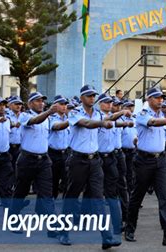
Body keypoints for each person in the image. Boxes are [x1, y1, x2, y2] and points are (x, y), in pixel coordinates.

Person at [58, 85, 121, 249]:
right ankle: (63, 232)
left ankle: (106, 237)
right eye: (88, 95)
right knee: (71, 196)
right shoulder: (74, 113)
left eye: (94, 95)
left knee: (98, 198)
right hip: (77, 160)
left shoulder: (100, 113)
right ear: (81, 98)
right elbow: (86, 123)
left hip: (94, 161)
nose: (92, 98)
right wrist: (102, 123)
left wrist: (116, 117)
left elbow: (108, 120)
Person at [124, 87, 166, 246]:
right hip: (144, 160)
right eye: (157, 98)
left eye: (162, 98)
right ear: (149, 99)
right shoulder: (144, 114)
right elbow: (152, 123)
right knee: (137, 196)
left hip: (161, 160)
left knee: (164, 197)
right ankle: (130, 228)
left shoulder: (162, 115)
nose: (161, 100)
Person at [8, 92, 59, 238]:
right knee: (21, 191)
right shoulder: (25, 116)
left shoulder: (48, 118)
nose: (41, 103)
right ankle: (13, 219)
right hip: (27, 160)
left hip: (43, 160)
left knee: (46, 194)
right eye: (37, 101)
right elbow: (35, 121)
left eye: (42, 101)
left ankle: (52, 226)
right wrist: (49, 111)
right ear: (30, 104)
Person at [97, 93, 133, 235]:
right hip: (97, 158)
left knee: (114, 189)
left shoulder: (114, 118)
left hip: (112, 157)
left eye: (111, 103)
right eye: (106, 102)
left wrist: (124, 121)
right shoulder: (97, 116)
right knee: (93, 192)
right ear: (99, 103)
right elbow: (108, 120)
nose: (110, 105)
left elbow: (115, 123)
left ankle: (118, 223)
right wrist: (122, 113)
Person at [47, 95, 70, 199]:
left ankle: (67, 203)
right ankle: (51, 200)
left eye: (65, 104)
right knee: (53, 179)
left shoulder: (67, 118)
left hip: (65, 153)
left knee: (68, 179)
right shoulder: (51, 118)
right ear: (55, 105)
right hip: (53, 154)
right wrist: (71, 121)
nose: (64, 106)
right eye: (61, 104)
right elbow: (56, 127)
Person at [120, 100, 137, 197]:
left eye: (132, 107)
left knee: (131, 174)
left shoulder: (134, 120)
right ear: (123, 109)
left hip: (132, 151)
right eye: (128, 107)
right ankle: (121, 195)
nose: (130, 109)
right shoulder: (120, 120)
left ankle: (130, 195)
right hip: (122, 151)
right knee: (122, 174)